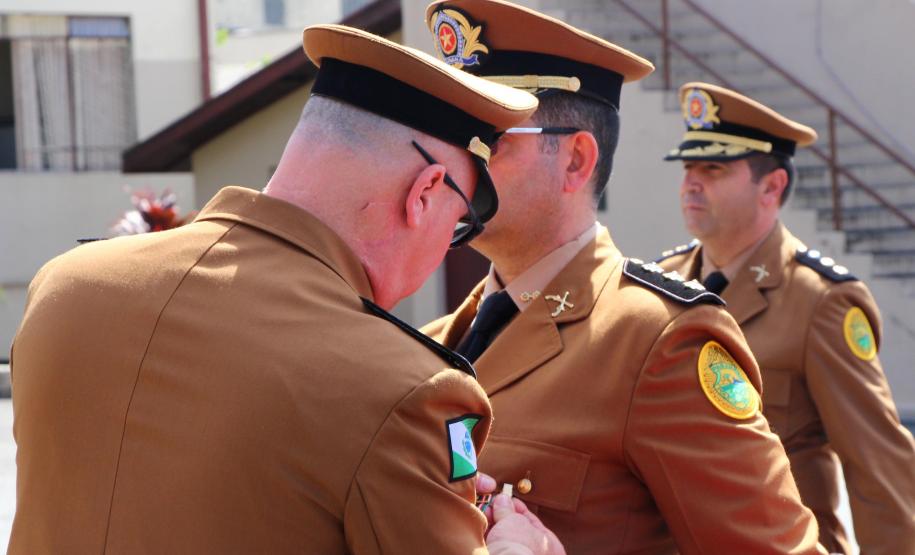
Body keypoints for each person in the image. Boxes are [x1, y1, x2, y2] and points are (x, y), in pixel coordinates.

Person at [8, 24, 566, 555]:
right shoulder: (404, 389)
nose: (450, 244)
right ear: (423, 194)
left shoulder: (66, 285)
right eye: (459, 223)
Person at [421, 1, 825, 553]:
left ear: (575, 160)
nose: (455, 161)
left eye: (489, 139)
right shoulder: (439, 339)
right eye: (451, 135)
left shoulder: (659, 342)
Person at [656, 81, 915, 554]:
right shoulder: (661, 283)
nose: (691, 182)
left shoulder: (820, 301)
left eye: (713, 168)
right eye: (687, 166)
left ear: (772, 186)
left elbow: (877, 467)